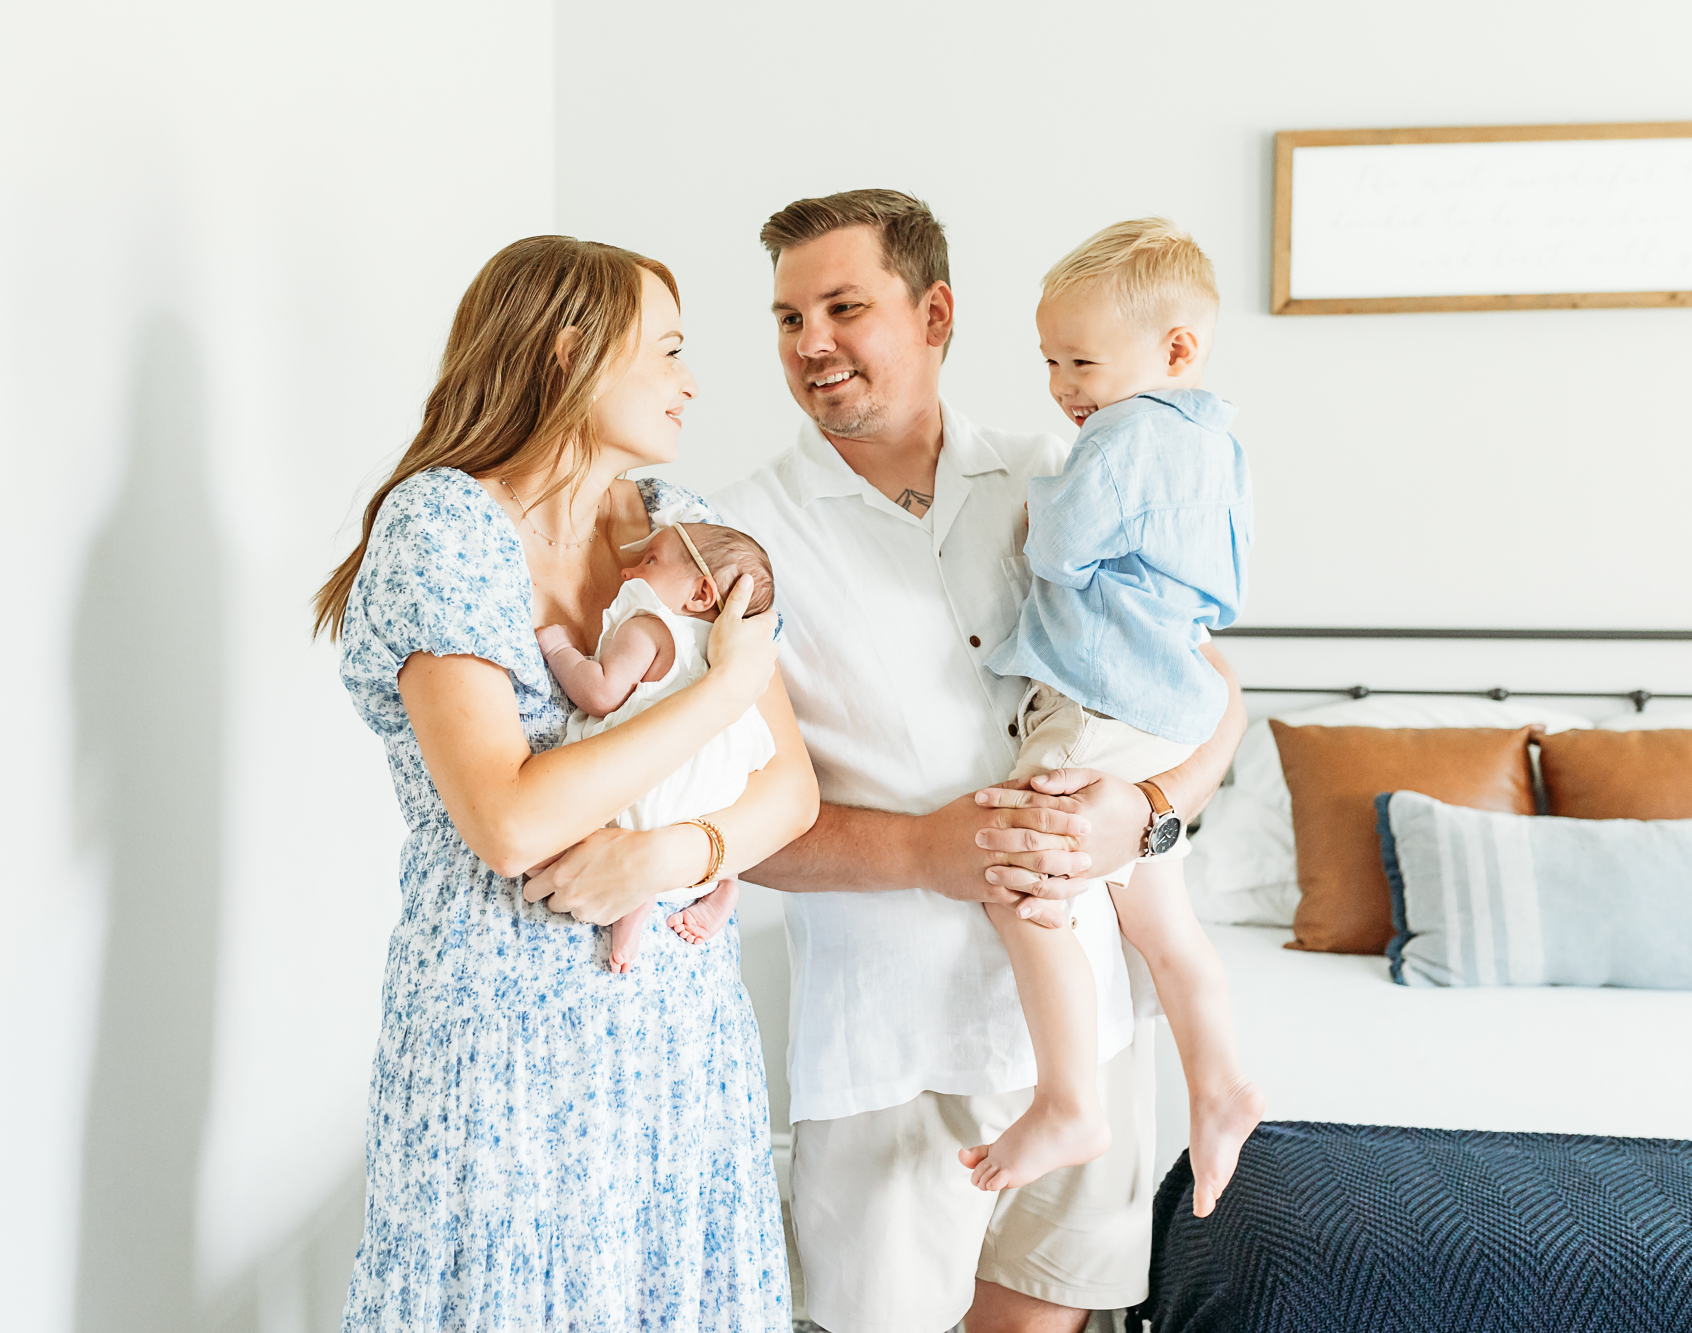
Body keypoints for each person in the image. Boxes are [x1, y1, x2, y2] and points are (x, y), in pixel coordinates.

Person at [711, 191, 1247, 1333]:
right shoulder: (741, 538)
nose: (810, 343)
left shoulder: (1065, 470)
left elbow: (1212, 705)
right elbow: (732, 829)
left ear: (934, 311)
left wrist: (1143, 813)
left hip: (1088, 1033)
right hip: (889, 1055)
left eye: (843, 306)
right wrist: (922, 848)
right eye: (786, 317)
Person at [313, 235, 817, 1330]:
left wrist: (663, 855)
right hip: (505, 1040)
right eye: (669, 350)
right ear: (569, 351)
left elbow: (790, 796)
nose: (691, 380)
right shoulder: (442, 527)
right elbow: (506, 820)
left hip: (679, 1036)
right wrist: (720, 694)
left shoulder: (675, 525)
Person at [959, 218, 1265, 1217]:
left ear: (1174, 349)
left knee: (1018, 868)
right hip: (1170, 701)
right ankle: (1219, 1084)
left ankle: (1067, 1098)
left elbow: (1056, 552)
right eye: (1049, 360)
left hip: (1097, 695)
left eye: (1081, 360)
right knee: (1163, 925)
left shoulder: (1123, 439)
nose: (1061, 386)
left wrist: (1032, 510)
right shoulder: (1214, 441)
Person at [536, 520, 779, 971]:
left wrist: (560, 651)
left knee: (561, 840)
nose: (629, 571)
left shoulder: (652, 628)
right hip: (708, 807)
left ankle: (635, 903)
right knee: (715, 801)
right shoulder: (730, 655)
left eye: (650, 561)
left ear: (701, 595)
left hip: (650, 797)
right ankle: (724, 886)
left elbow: (600, 692)